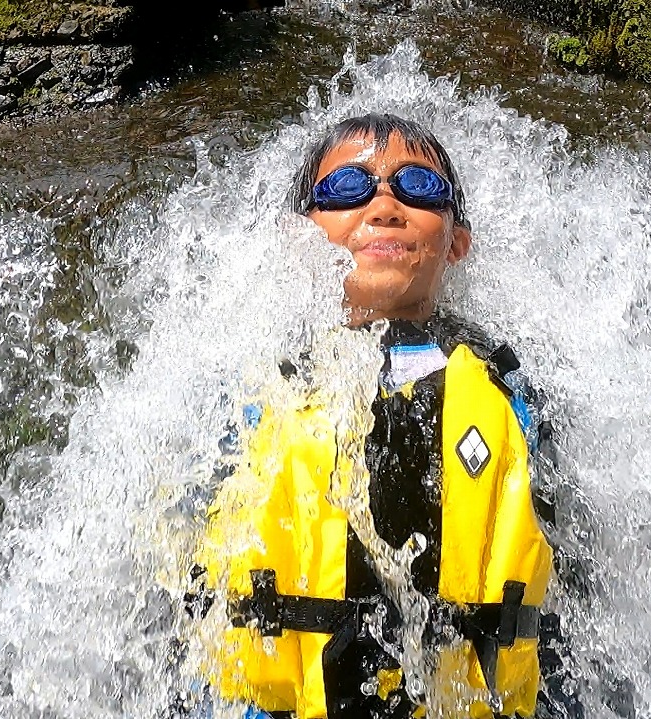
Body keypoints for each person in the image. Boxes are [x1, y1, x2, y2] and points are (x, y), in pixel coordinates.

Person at [191, 114, 581, 719]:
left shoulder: (511, 393)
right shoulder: (263, 391)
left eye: (418, 187)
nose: (384, 204)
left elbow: (560, 596)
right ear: (304, 235)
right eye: (348, 187)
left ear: (456, 241)